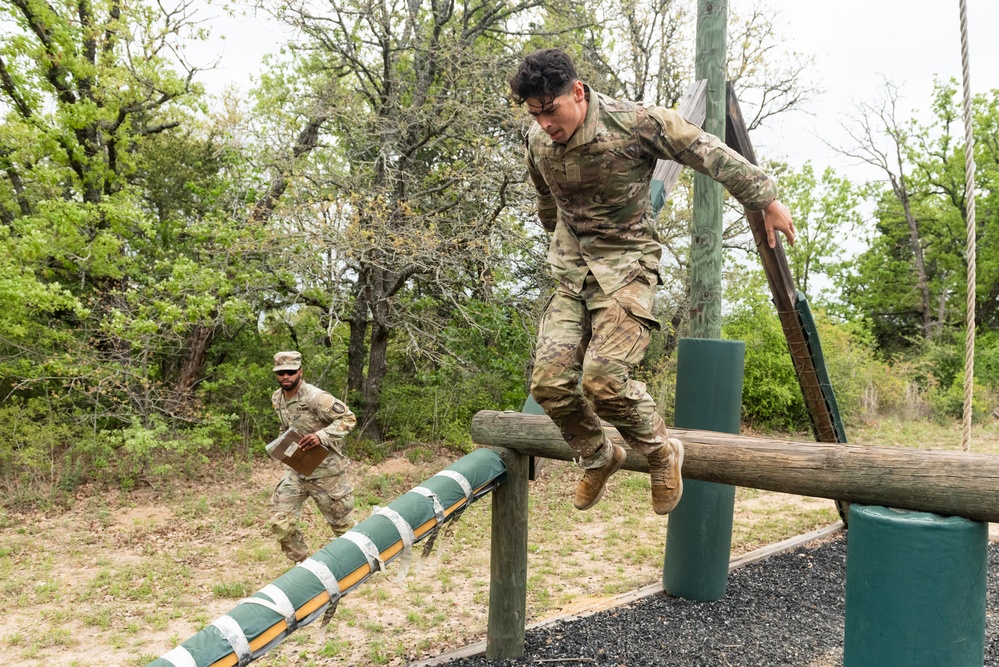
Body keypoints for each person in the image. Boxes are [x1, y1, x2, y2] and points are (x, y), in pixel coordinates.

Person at [508, 49, 796, 515]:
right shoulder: (537, 142)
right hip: (572, 275)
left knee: (603, 380)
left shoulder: (636, 123)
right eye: (535, 114)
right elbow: (546, 198)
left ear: (577, 93)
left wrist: (766, 199)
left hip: (626, 270)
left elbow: (708, 151)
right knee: (549, 383)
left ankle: (662, 452)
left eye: (551, 110)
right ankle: (599, 456)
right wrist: (557, 242)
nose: (545, 123)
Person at [268, 351, 357, 563]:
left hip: (326, 473)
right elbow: (286, 426)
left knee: (341, 524)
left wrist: (322, 436)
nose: (285, 377)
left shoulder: (317, 398)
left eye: (290, 372)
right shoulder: (277, 398)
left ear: (300, 372)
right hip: (297, 472)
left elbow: (349, 418)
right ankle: (303, 564)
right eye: (281, 373)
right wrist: (282, 447)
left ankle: (360, 561)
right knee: (282, 521)